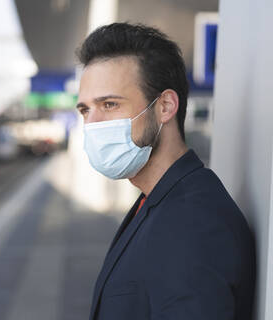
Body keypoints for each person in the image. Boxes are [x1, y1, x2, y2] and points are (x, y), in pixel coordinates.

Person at [76, 23, 256, 320]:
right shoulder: (158, 199)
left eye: (109, 104)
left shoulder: (194, 221)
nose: (92, 124)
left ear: (165, 106)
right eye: (85, 110)